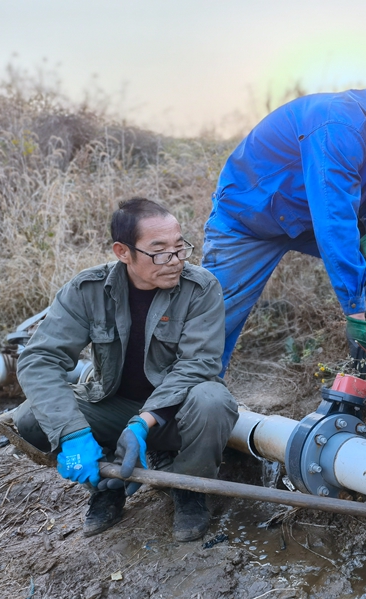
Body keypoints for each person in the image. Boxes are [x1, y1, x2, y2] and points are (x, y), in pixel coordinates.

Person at [15, 198, 239, 542]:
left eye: (180, 247)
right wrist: (72, 433)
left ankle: (189, 489)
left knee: (213, 400)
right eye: (159, 252)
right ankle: (108, 484)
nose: (175, 260)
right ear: (123, 252)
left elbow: (199, 364)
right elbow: (39, 359)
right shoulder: (88, 290)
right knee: (31, 418)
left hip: (174, 415)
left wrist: (143, 423)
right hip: (114, 407)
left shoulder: (200, 287)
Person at [202, 61, 366, 373]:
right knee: (213, 322)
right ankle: (188, 394)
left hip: (304, 217)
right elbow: (334, 221)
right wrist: (354, 312)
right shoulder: (340, 125)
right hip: (248, 221)